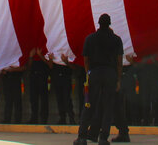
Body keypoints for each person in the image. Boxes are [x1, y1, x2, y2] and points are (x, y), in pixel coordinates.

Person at [74, 13, 123, 145]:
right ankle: (103, 138)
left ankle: (82, 137)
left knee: (89, 105)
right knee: (108, 107)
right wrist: (118, 79)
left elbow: (86, 60)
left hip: (94, 73)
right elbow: (119, 62)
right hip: (110, 74)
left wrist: (88, 73)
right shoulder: (116, 40)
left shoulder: (90, 39)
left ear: (99, 24)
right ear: (110, 24)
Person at [27, 47, 50, 124]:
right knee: (33, 99)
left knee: (44, 99)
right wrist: (31, 56)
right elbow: (29, 67)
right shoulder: (32, 52)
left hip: (43, 77)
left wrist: (40, 56)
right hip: (33, 76)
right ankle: (34, 118)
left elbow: (50, 65)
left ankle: (44, 119)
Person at [50, 53, 76, 124]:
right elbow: (51, 66)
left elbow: (74, 67)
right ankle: (62, 118)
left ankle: (71, 118)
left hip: (66, 77)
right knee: (59, 98)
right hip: (56, 77)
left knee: (67, 98)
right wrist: (50, 59)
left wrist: (66, 61)